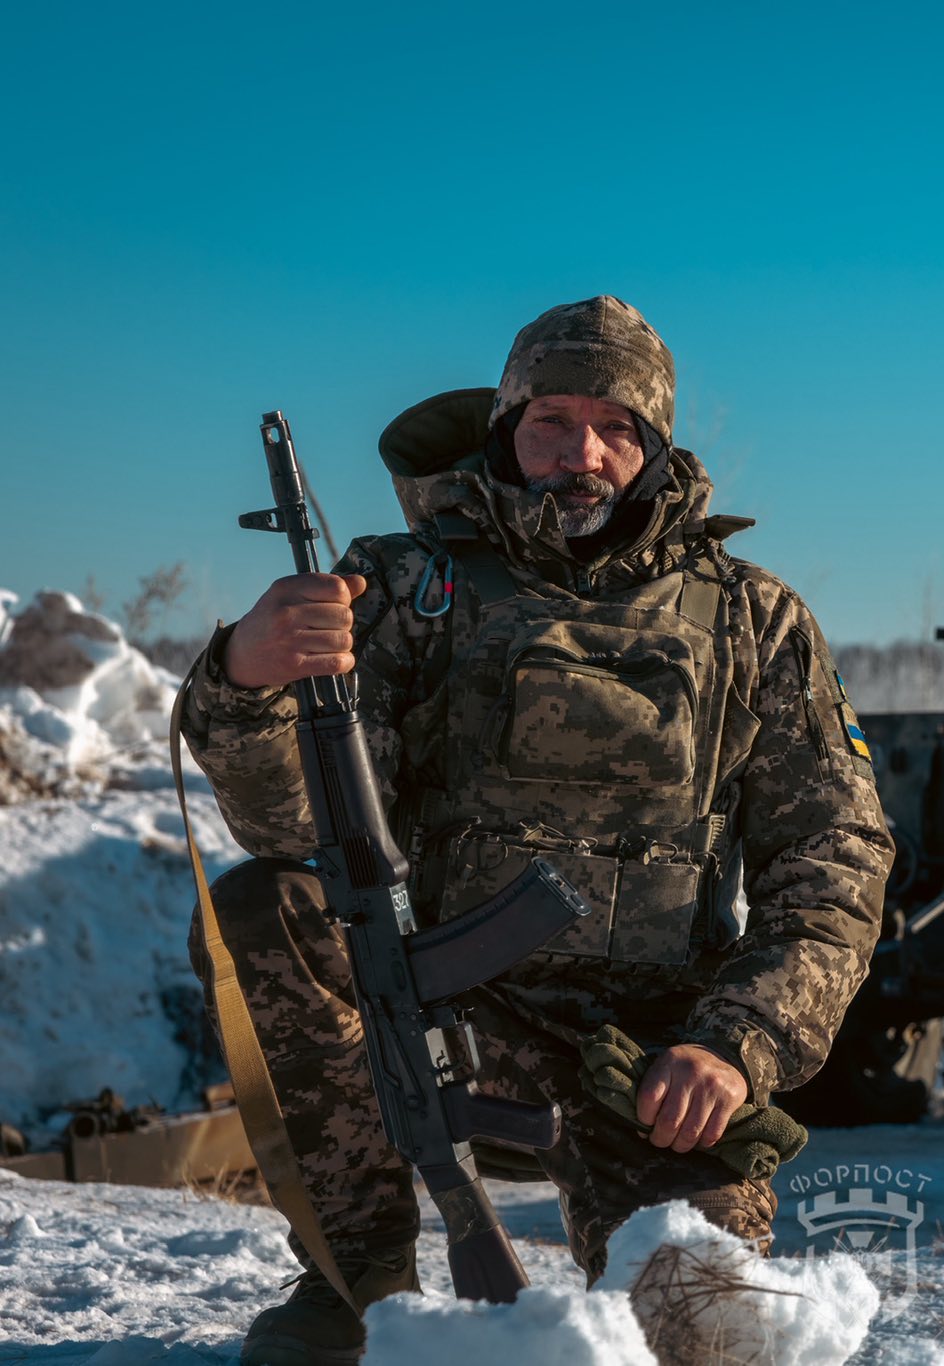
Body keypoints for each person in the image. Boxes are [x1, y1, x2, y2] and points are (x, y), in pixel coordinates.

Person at [179, 296, 891, 1363]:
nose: (580, 452)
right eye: (550, 421)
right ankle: (359, 1286)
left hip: (654, 1057)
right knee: (263, 908)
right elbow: (295, 827)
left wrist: (734, 1044)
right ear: (505, 431)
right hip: (444, 1011)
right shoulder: (407, 587)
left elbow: (835, 861)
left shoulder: (754, 618)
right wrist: (245, 680)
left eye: (614, 427)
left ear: (653, 448)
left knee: (700, 1333)